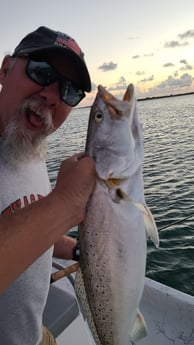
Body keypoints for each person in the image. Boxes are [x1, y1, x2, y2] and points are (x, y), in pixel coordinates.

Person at [0, 26, 96, 345]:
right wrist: (65, 203)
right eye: (42, 72)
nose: (52, 96)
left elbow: (26, 229)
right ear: (5, 68)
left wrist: (78, 249)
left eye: (69, 91)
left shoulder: (27, 146)